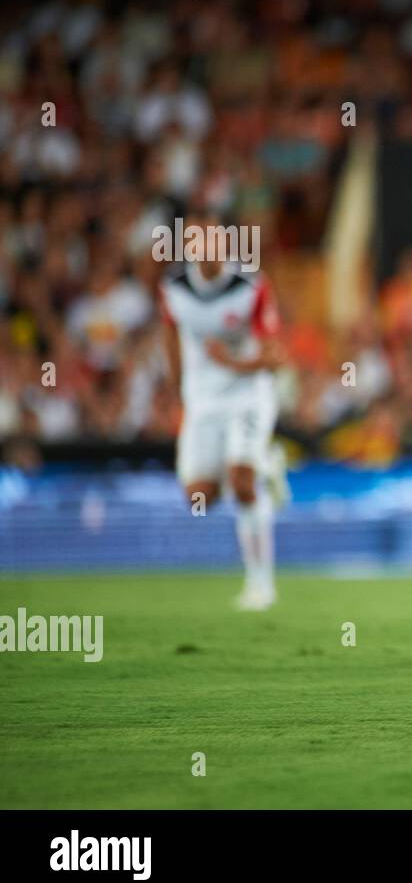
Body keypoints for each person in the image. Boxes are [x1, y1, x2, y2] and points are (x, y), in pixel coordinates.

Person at [160, 220, 287, 610]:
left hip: (248, 395)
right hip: (202, 401)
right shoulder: (174, 288)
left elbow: (274, 358)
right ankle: (267, 464)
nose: (208, 252)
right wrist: (176, 390)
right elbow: (171, 335)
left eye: (215, 244)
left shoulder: (250, 287)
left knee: (242, 483)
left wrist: (231, 362)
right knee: (199, 496)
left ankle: (260, 585)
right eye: (199, 245)